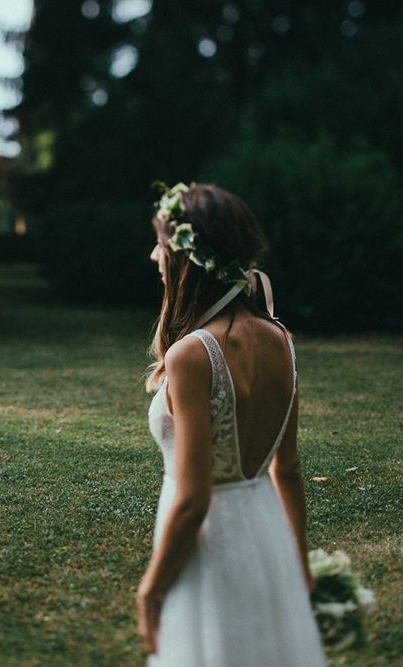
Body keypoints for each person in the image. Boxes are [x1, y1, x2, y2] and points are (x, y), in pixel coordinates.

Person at [136, 183, 326, 665]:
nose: (154, 255)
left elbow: (195, 500)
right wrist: (297, 564)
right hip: (265, 535)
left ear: (185, 255)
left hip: (212, 544)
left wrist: (151, 590)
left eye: (161, 244)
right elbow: (289, 470)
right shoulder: (279, 338)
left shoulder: (192, 355)